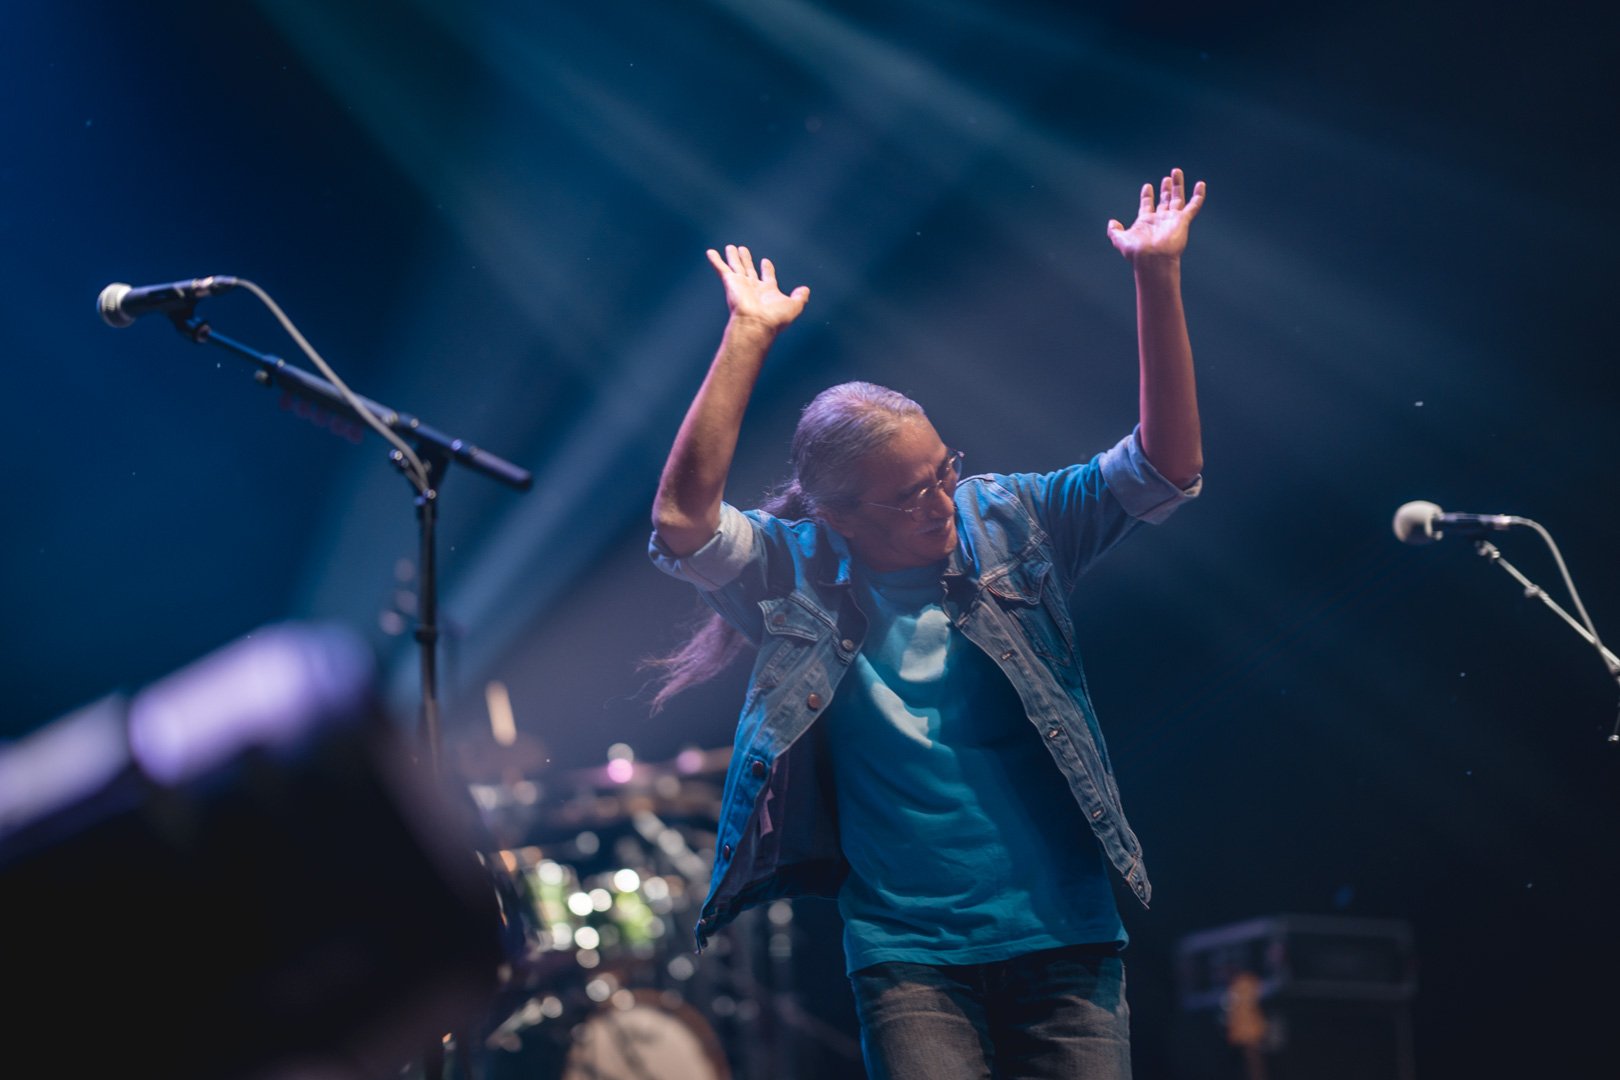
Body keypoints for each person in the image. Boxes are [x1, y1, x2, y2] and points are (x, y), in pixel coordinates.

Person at [646, 167, 1206, 1079]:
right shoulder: (794, 569)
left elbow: (1164, 468)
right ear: (839, 516)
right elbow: (681, 525)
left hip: (1066, 938)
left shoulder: (1013, 519)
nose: (944, 498)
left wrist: (1156, 275)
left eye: (944, 468)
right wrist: (747, 337)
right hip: (911, 960)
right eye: (912, 493)